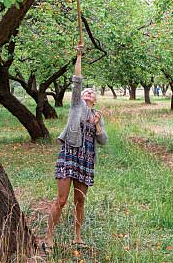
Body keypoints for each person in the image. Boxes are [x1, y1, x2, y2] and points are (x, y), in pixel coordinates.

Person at [43, 44, 107, 251]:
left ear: (95, 99)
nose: (88, 92)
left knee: (80, 200)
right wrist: (78, 56)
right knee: (61, 200)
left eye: (92, 92)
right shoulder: (76, 106)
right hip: (70, 155)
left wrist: (97, 125)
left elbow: (103, 141)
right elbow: (77, 80)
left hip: (87, 159)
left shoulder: (97, 115)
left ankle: (77, 237)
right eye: (86, 91)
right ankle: (48, 237)